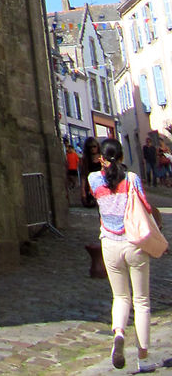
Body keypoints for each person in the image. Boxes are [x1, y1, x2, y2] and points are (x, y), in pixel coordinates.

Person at [88, 138, 161, 372]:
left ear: (101, 158)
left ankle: (118, 333)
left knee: (120, 297)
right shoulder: (131, 179)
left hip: (109, 243)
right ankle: (143, 356)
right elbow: (145, 208)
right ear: (120, 157)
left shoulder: (93, 180)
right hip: (134, 243)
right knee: (141, 301)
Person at [81, 136, 103, 208]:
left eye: (94, 146)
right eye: (90, 147)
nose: (92, 149)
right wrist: (83, 192)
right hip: (91, 188)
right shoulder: (86, 160)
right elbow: (84, 176)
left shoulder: (103, 158)